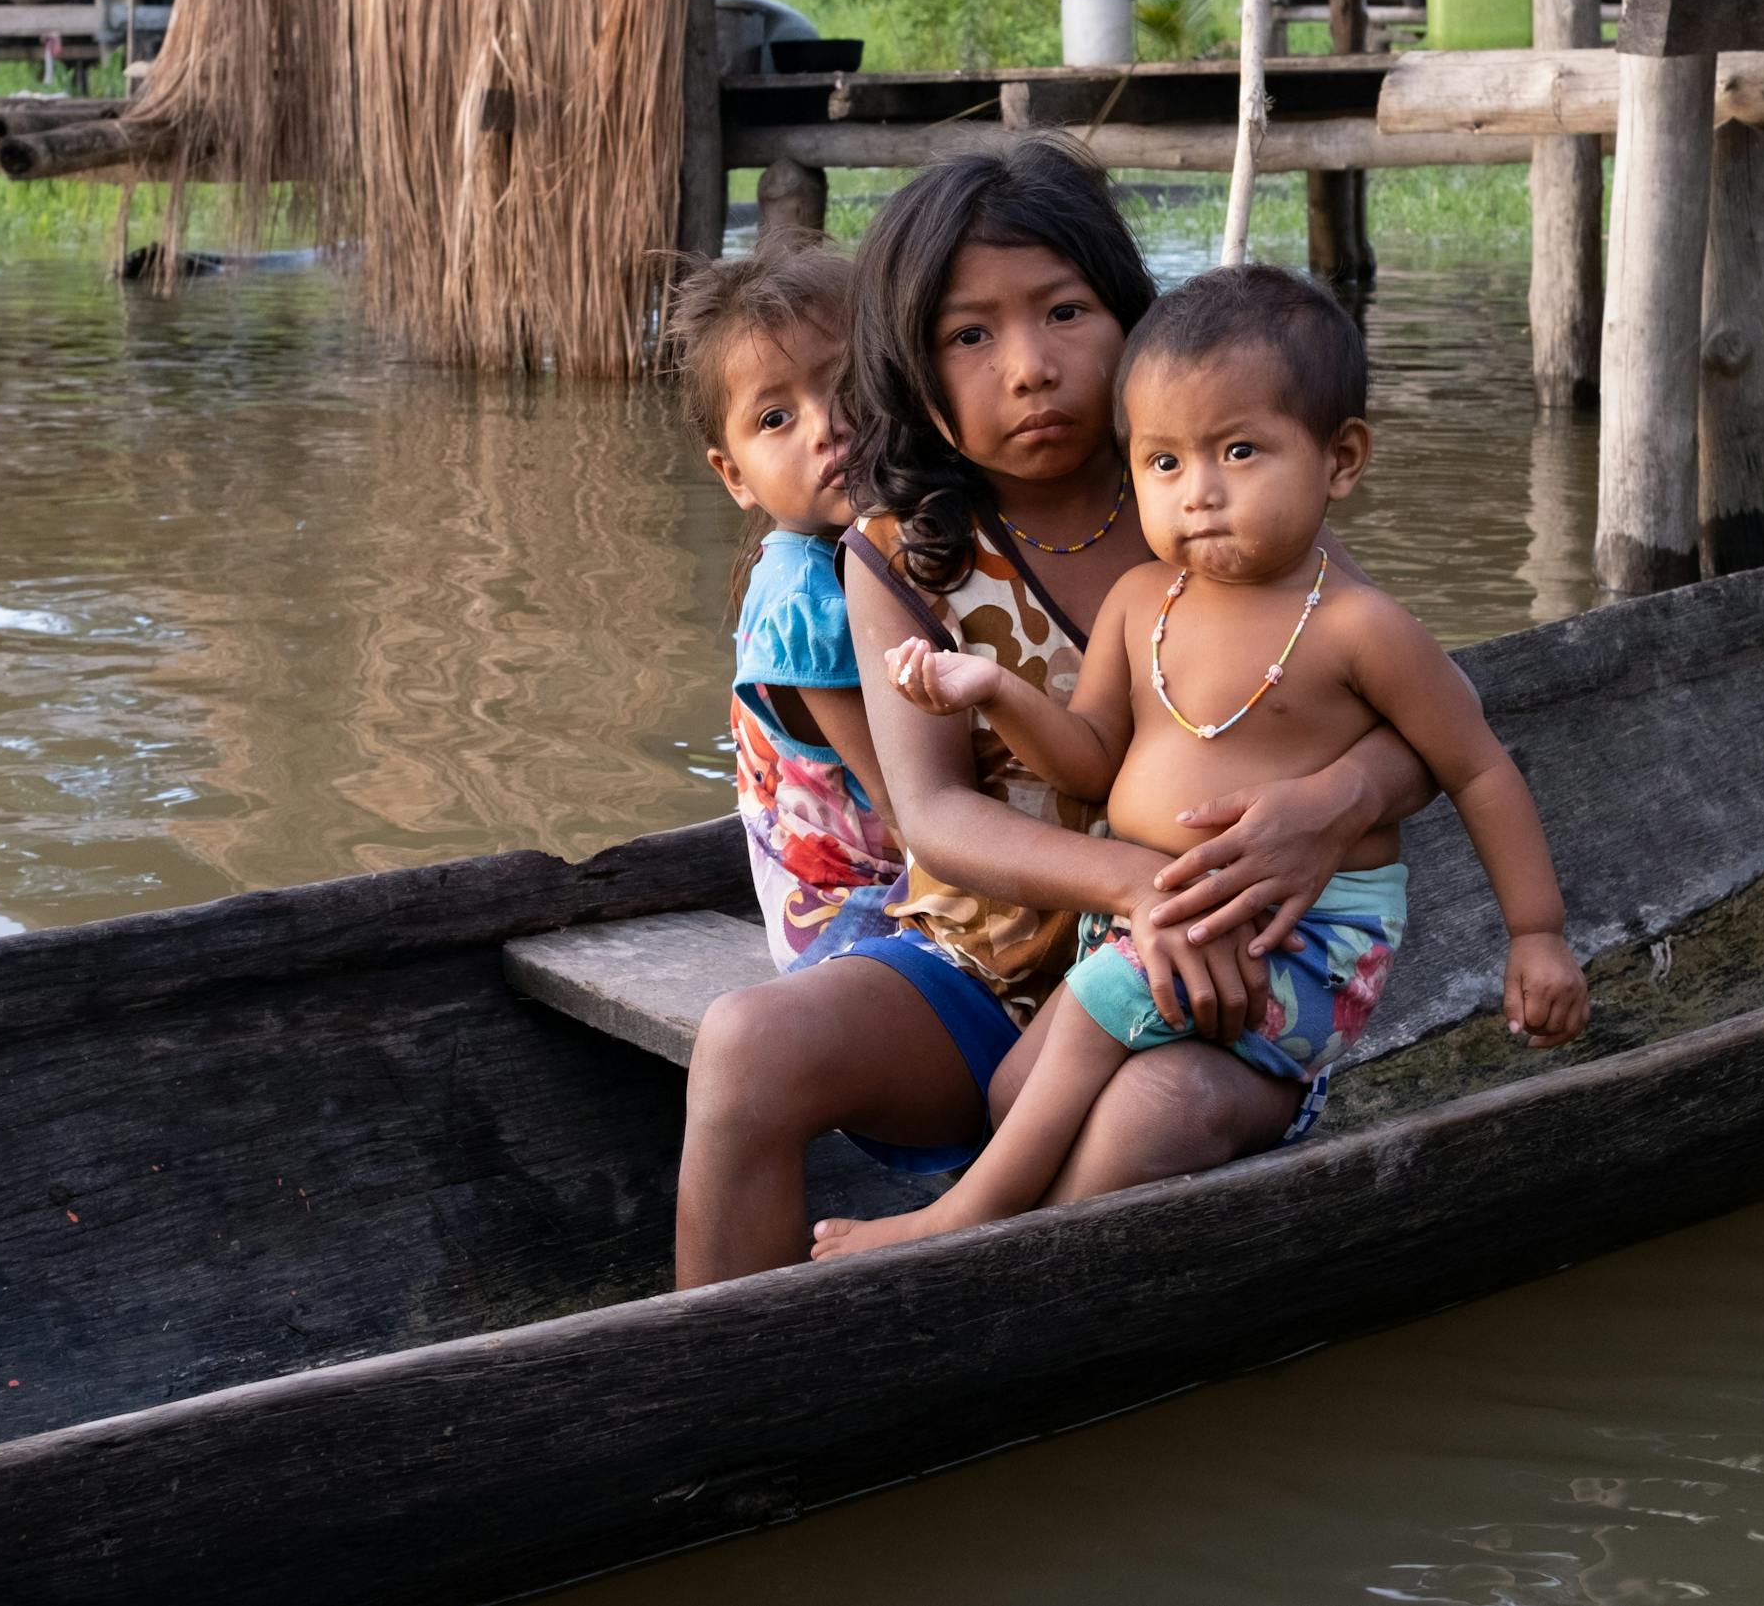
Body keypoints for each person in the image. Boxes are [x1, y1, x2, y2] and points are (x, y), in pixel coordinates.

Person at [674, 140, 1438, 1288]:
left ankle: (987, 1349)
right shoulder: (904, 551)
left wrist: (1331, 809)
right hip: (980, 969)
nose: (1030, 367)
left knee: (1159, 1110)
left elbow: (1425, 720)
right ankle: (716, 1399)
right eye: (969, 335)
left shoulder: (1209, 491)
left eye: (1065, 311)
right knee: (745, 1046)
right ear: (911, 369)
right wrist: (1138, 888)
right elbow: (933, 816)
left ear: (1129, 315)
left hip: (1222, 965)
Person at [814, 266, 1588, 1258]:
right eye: (1165, 463)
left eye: (1238, 452)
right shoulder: (1145, 599)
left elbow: (1477, 766)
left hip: (1295, 947)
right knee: (1015, 1086)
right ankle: (1030, 1238)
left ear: (1340, 459)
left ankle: (960, 1230)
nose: (1202, 494)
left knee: (1092, 1025)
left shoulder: (1359, 626)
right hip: (1144, 927)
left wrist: (1538, 934)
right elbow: (1090, 764)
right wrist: (999, 692)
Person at [663, 232, 904, 970]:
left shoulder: (877, 541)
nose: (826, 425)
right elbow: (906, 805)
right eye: (776, 418)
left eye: (846, 384)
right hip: (859, 922)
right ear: (734, 475)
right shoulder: (800, 595)